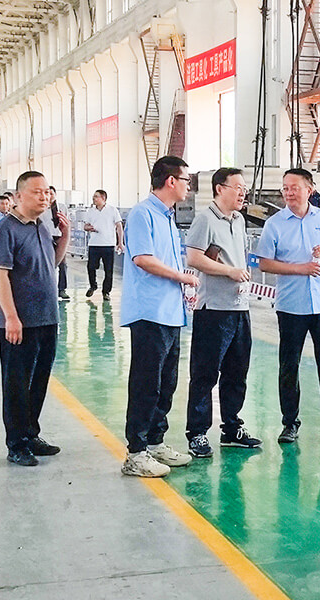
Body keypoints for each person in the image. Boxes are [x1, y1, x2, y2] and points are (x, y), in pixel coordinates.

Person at [256, 168, 320, 445]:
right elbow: (265, 263)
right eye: (285, 188)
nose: (288, 193)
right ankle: (289, 423)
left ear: (310, 190)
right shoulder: (274, 224)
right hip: (291, 306)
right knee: (289, 366)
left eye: (294, 187)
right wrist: (301, 269)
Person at [119, 156, 198, 477]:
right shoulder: (143, 214)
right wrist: (182, 277)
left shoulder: (167, 217)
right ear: (171, 181)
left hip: (170, 312)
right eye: (186, 180)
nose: (189, 187)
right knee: (146, 383)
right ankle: (136, 452)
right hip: (149, 312)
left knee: (166, 383)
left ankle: (155, 442)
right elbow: (142, 258)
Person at [0, 171, 70, 466]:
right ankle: (17, 444)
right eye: (37, 192)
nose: (44, 197)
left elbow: (52, 264)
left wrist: (66, 236)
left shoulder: (42, 226)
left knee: (39, 382)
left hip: (46, 318)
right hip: (19, 323)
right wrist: (11, 317)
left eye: (47, 192)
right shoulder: (5, 230)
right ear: (18, 196)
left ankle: (31, 434)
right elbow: (0, 276)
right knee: (16, 385)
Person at [183, 167, 261, 458]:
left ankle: (231, 428)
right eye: (237, 187)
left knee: (236, 372)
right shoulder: (205, 218)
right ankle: (197, 433)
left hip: (239, 307)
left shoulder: (238, 220)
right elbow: (194, 258)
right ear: (219, 188)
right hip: (213, 310)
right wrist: (229, 271)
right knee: (205, 373)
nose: (243, 193)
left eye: (244, 188)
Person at [83, 189, 124, 301]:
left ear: (103, 198)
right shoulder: (90, 211)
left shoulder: (112, 210)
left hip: (108, 244)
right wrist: (88, 228)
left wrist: (120, 242)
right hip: (94, 244)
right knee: (91, 267)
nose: (94, 198)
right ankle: (93, 285)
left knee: (108, 270)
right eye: (93, 196)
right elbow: (85, 226)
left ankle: (106, 292)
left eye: (96, 196)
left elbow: (119, 226)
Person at [48, 186, 70, 300]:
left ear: (55, 195)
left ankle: (62, 289)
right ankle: (48, 288)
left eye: (51, 193)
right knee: (47, 265)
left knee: (63, 263)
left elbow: (67, 222)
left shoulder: (62, 207)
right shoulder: (41, 208)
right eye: (47, 193)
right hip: (46, 238)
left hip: (60, 237)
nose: (49, 196)